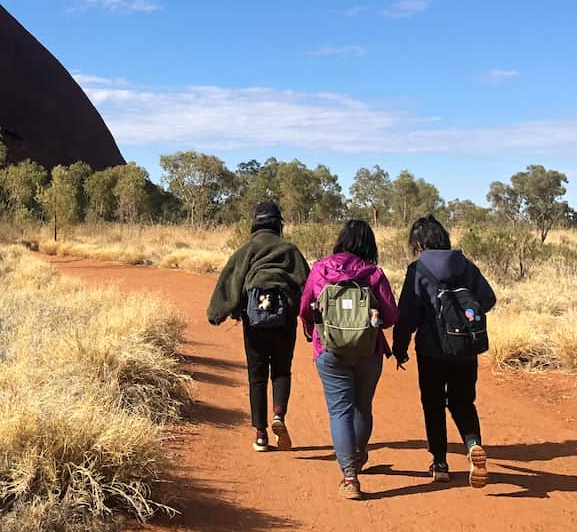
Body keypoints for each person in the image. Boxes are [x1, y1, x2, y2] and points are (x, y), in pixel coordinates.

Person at [392, 214, 497, 488]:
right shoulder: (466, 265)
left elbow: (407, 314)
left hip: (431, 350)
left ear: (418, 243)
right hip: (465, 349)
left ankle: (439, 463)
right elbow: (488, 299)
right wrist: (464, 318)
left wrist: (400, 347)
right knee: (463, 402)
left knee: (433, 404)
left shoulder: (417, 270)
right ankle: (473, 445)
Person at [300, 219, 398, 500]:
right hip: (369, 351)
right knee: (362, 406)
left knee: (339, 410)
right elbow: (391, 316)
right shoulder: (374, 274)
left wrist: (313, 331)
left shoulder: (321, 269)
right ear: (369, 244)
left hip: (330, 351)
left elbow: (305, 307)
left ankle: (349, 476)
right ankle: (357, 454)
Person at [207, 201, 311, 452]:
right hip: (284, 321)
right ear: (278, 224)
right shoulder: (290, 250)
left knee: (257, 376)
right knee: (281, 371)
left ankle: (261, 434)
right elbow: (308, 286)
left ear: (255, 222)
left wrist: (219, 313)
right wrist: (310, 319)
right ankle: (278, 415)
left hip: (254, 321)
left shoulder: (246, 250)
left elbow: (230, 283)